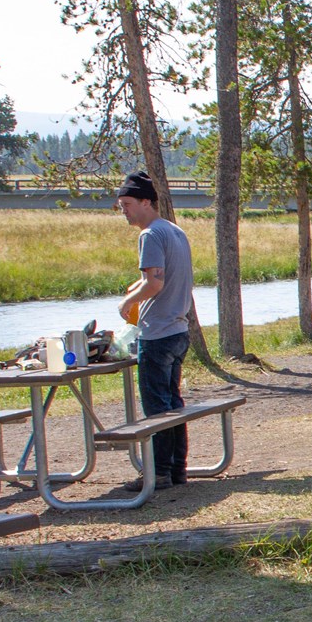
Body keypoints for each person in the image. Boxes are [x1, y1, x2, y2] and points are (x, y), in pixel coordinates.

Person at [115, 171, 194, 490]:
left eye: (128, 203)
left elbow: (155, 282)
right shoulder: (175, 231)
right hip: (178, 330)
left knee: (157, 406)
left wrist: (127, 302)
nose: (124, 210)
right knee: (173, 403)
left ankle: (159, 472)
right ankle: (177, 469)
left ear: (147, 202)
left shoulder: (149, 235)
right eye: (120, 205)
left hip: (157, 333)